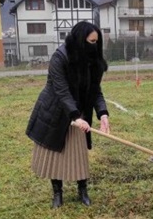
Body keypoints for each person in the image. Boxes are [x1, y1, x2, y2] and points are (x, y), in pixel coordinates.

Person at [26, 21, 110, 208]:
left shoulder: (93, 61)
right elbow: (61, 91)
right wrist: (75, 116)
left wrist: (103, 113)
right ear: (80, 40)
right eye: (90, 41)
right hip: (56, 110)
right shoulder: (60, 57)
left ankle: (83, 190)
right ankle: (57, 193)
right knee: (56, 152)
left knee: (79, 153)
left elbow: (95, 91)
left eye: (97, 42)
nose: (94, 46)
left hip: (78, 111)